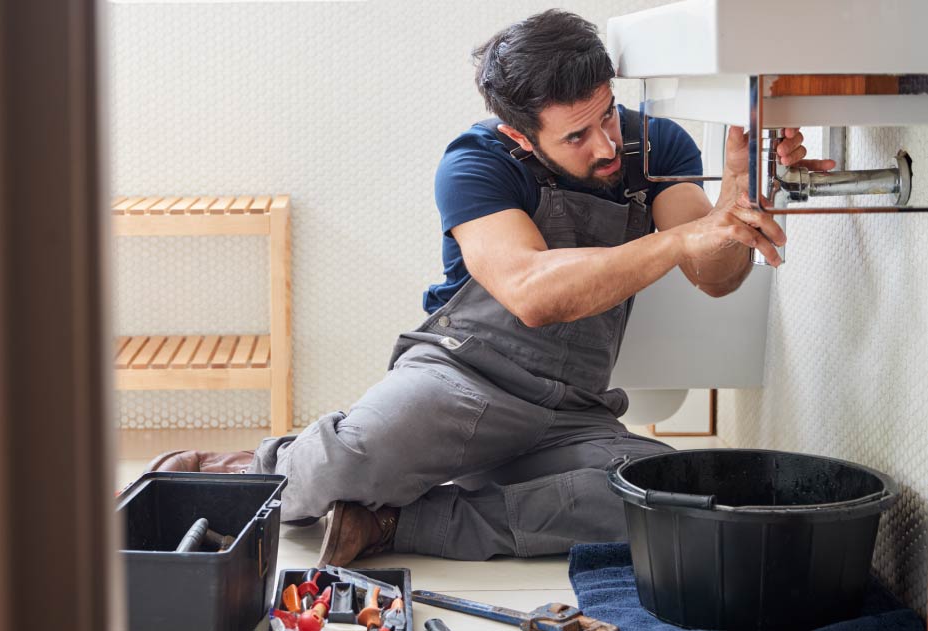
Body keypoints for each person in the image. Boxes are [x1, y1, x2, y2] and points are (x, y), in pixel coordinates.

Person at [145, 10, 832, 566]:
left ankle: (391, 523)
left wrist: (731, 216)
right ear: (518, 134)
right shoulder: (474, 162)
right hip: (460, 381)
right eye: (575, 135)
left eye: (607, 116)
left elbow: (713, 278)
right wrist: (679, 237)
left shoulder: (656, 146)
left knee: (659, 503)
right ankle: (245, 466)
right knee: (340, 465)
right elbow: (533, 292)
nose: (603, 145)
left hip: (572, 409)